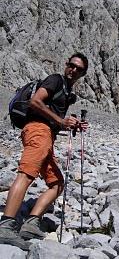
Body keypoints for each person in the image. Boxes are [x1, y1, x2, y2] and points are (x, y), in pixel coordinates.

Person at [0, 53, 89, 249]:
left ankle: (31, 223)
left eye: (78, 68)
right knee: (26, 174)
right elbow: (35, 102)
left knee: (57, 183)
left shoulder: (66, 92)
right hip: (37, 131)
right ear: (66, 65)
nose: (73, 69)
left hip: (47, 135)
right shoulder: (55, 80)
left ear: (82, 74)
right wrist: (60, 121)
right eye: (71, 65)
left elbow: (55, 119)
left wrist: (70, 125)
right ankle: (6, 226)